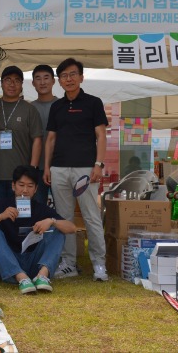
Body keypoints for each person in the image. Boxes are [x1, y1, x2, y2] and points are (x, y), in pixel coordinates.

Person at [43, 58, 109, 281]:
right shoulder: (57, 106)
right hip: (59, 168)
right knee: (64, 218)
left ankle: (100, 264)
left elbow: (101, 135)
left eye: (72, 74)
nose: (68, 79)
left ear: (81, 77)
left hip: (85, 169)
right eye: (64, 76)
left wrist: (99, 164)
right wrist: (47, 167)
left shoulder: (93, 102)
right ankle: (68, 263)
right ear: (58, 81)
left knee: (92, 217)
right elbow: (50, 139)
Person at [0, 165, 76, 294]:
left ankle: (42, 276)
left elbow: (72, 228)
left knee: (59, 229)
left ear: (36, 189)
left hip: (34, 264)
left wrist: (51, 221)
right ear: (13, 186)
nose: (25, 190)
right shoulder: (1, 205)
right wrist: (0, 217)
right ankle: (21, 277)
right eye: (21, 185)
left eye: (30, 186)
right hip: (9, 267)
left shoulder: (40, 208)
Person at [0, 66, 42, 202]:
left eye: (17, 80)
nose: (12, 84)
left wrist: (32, 170)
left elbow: (37, 140)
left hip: (21, 179)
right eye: (8, 80)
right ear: (1, 83)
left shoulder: (30, 109)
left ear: (21, 85)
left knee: (22, 216)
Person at [30, 64, 58, 207]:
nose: (42, 82)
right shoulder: (29, 108)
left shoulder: (61, 105)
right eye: (38, 78)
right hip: (35, 168)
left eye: (46, 78)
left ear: (53, 81)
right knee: (36, 209)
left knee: (61, 210)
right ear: (33, 83)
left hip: (59, 167)